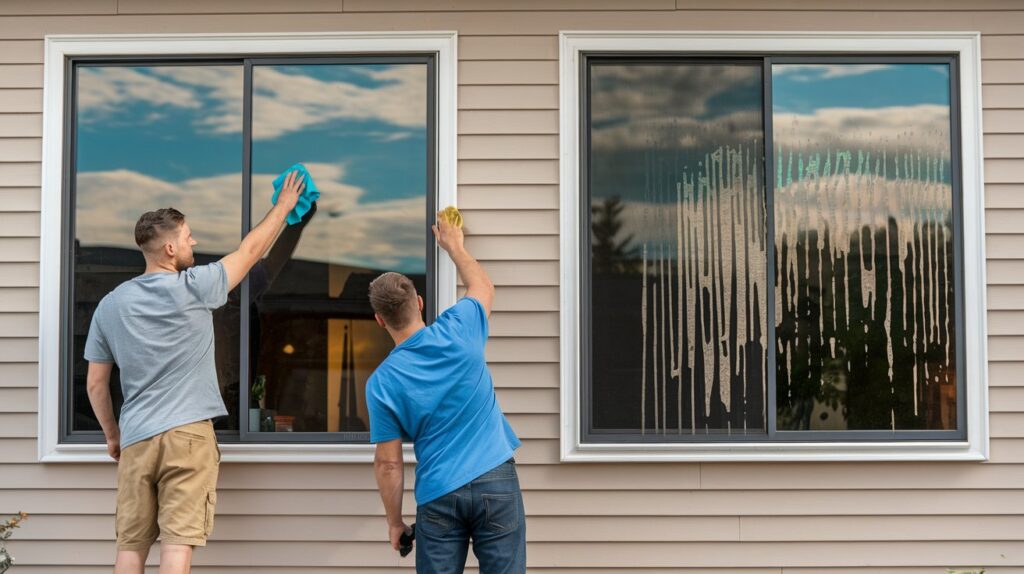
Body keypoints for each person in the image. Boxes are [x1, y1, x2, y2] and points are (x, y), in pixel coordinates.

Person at [84, 171, 306, 574]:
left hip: (136, 439)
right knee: (177, 545)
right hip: (187, 436)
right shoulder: (195, 286)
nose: (194, 242)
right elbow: (252, 250)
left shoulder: (110, 305)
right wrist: (284, 208)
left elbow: (96, 384)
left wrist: (114, 437)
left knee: (130, 548)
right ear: (170, 248)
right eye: (188, 237)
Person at [366, 214, 525, 574]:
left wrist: (395, 522)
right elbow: (482, 286)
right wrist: (454, 245)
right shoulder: (460, 328)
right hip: (495, 479)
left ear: (379, 319)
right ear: (419, 303)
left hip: (439, 492)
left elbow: (389, 463)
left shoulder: (382, 383)